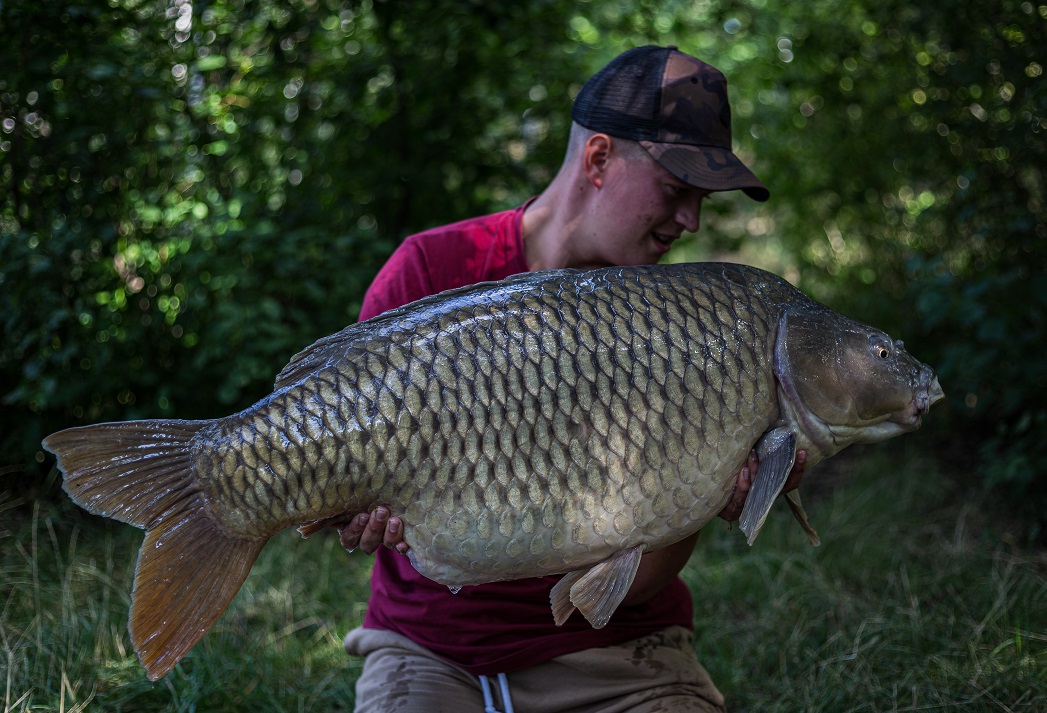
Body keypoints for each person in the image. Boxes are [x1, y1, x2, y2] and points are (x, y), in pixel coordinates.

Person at [338, 45, 806, 713]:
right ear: (597, 159)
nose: (691, 222)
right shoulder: (429, 269)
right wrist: (350, 510)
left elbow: (633, 584)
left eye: (701, 200)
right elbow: (346, 484)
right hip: (430, 648)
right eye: (676, 191)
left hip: (617, 651)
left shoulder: (687, 326)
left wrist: (707, 494)